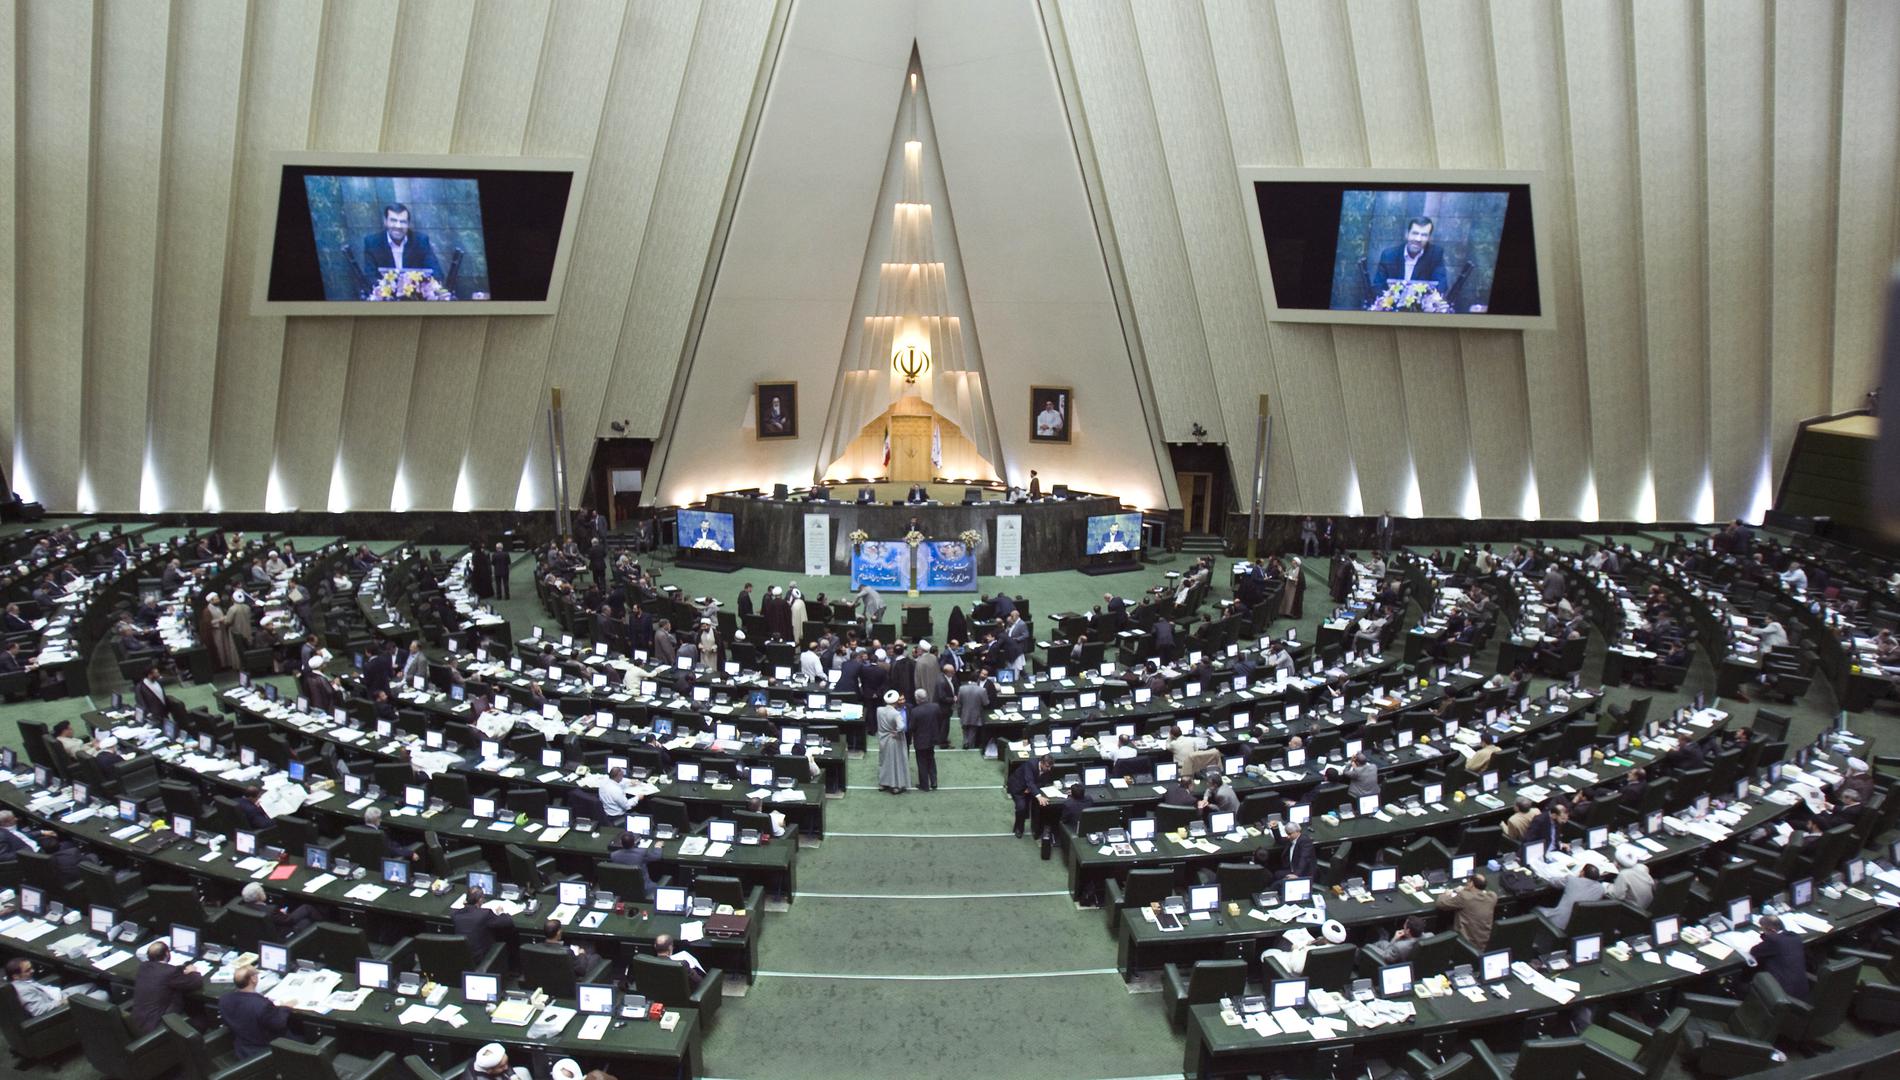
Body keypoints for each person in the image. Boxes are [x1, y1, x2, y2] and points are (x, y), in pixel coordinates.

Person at [131, 940, 206, 1033]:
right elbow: (196, 982)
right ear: (167, 953)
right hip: (158, 1026)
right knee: (200, 1019)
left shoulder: (143, 967)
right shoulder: (170, 972)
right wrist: (193, 971)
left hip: (138, 1022)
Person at [220, 965, 291, 1059]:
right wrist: (285, 1008)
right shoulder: (261, 1005)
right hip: (263, 1049)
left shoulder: (224, 999)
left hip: (240, 1046)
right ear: (253, 979)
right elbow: (279, 1024)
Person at [360, 203, 443, 283]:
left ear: (408, 224)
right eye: (393, 220)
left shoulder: (420, 241)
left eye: (403, 222)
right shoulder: (372, 243)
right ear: (385, 221)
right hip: (385, 294)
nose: (398, 226)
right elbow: (370, 277)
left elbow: (436, 273)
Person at [1370, 216, 1448, 297]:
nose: (1418, 239)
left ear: (1429, 238)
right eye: (1415, 233)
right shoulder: (1389, 255)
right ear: (1407, 234)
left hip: (1421, 307)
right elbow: (1378, 287)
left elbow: (1441, 286)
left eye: (1424, 235)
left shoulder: (1435, 254)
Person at [1748, 914, 1810, 1001]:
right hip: (1801, 990)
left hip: (1782, 992)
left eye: (1763, 930)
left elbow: (1754, 951)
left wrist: (1765, 937)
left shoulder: (1774, 941)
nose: (1762, 932)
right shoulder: (1795, 937)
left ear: (1772, 930)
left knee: (1744, 982)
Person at [1436, 871, 1498, 950]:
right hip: (1483, 943)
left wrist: (1446, 894)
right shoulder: (1492, 897)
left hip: (1466, 942)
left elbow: (1440, 903)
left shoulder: (1465, 897)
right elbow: (1484, 894)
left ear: (1471, 884)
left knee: (1442, 927)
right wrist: (1465, 890)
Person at [1539, 864, 1605, 932]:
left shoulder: (1571, 880)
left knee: (1535, 908)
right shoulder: (1601, 889)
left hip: (1559, 924)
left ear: (1582, 872)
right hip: (1580, 928)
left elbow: (1553, 881)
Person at [452, 886, 515, 957]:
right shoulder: (485, 914)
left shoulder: (455, 914)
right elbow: (508, 921)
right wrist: (501, 912)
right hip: (480, 957)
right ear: (480, 900)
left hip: (462, 957)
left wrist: (466, 905)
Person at [1007, 756, 1053, 838]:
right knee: (1021, 807)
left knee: (1033, 808)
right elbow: (1029, 781)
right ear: (1041, 763)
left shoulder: (1048, 769)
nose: (1049, 769)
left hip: (1030, 788)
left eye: (1050, 767)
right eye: (1047, 766)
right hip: (1018, 787)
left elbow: (1043, 782)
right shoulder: (1030, 764)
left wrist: (1031, 789)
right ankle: (1019, 828)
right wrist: (1038, 795)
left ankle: (1035, 829)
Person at [908, 687, 943, 791]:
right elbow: (940, 720)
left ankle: (924, 785)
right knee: (931, 760)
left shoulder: (915, 711)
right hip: (932, 739)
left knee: (922, 762)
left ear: (917, 699)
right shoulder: (935, 707)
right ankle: (934, 782)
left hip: (920, 740)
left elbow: (911, 727)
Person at [876, 689, 910, 794]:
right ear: (896, 701)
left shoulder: (879, 710)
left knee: (884, 760)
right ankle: (896, 785)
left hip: (883, 739)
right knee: (896, 762)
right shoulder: (896, 714)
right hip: (894, 740)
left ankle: (883, 783)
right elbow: (901, 726)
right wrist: (897, 731)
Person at [608, 832, 659, 899]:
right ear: (634, 842)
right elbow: (656, 857)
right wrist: (658, 847)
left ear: (621, 843)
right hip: (645, 889)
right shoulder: (642, 853)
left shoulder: (613, 855)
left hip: (624, 889)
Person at [1607, 845, 1655, 910]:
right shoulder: (1642, 867)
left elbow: (1618, 896)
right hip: (1649, 905)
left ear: (1616, 864)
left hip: (1636, 910)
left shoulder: (1624, 875)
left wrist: (1607, 886)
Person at [956, 671, 991, 751]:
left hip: (964, 714)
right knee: (972, 732)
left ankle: (965, 742)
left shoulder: (962, 688)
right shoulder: (982, 690)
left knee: (965, 730)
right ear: (977, 679)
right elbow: (986, 703)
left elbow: (959, 702)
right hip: (976, 715)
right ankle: (970, 747)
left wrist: (959, 713)